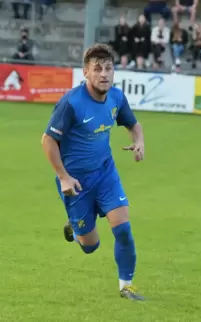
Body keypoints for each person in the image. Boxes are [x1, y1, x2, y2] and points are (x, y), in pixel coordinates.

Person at [41, 44, 146, 301]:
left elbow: (133, 123)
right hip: (75, 183)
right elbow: (47, 140)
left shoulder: (116, 97)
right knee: (91, 246)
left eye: (108, 68)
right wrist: (63, 176)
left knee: (123, 230)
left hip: (105, 173)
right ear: (85, 72)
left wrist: (139, 140)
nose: (104, 74)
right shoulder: (71, 104)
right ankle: (76, 231)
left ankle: (126, 286)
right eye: (97, 69)